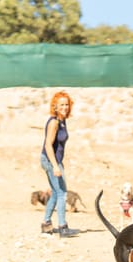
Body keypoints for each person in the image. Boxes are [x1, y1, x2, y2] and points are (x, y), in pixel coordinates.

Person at [40, 91, 79, 237]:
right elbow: (48, 145)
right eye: (61, 104)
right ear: (55, 106)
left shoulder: (62, 120)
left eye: (67, 104)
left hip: (55, 160)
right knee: (62, 193)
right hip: (50, 160)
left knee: (56, 193)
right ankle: (63, 227)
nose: (65, 107)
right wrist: (55, 166)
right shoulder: (54, 122)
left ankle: (46, 224)